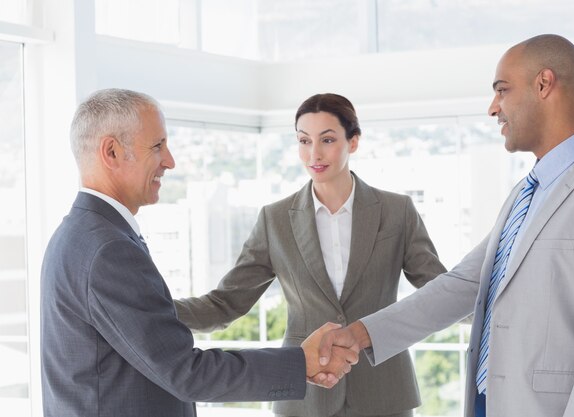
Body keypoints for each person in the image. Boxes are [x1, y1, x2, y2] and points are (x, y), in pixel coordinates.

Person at [317, 34, 574, 417]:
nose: (494, 107)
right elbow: (462, 285)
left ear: (544, 84)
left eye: (502, 90)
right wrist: (360, 335)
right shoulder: (525, 193)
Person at [40, 88, 358, 417]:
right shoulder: (108, 249)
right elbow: (186, 372)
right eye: (157, 146)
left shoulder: (79, 235)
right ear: (112, 152)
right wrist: (300, 361)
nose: (170, 160)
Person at [174, 93, 446, 417]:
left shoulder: (397, 211)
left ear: (353, 141)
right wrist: (151, 311)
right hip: (304, 398)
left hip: (384, 391)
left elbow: (440, 291)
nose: (314, 153)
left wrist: (493, 299)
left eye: (327, 139)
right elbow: (225, 303)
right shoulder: (274, 220)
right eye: (304, 141)